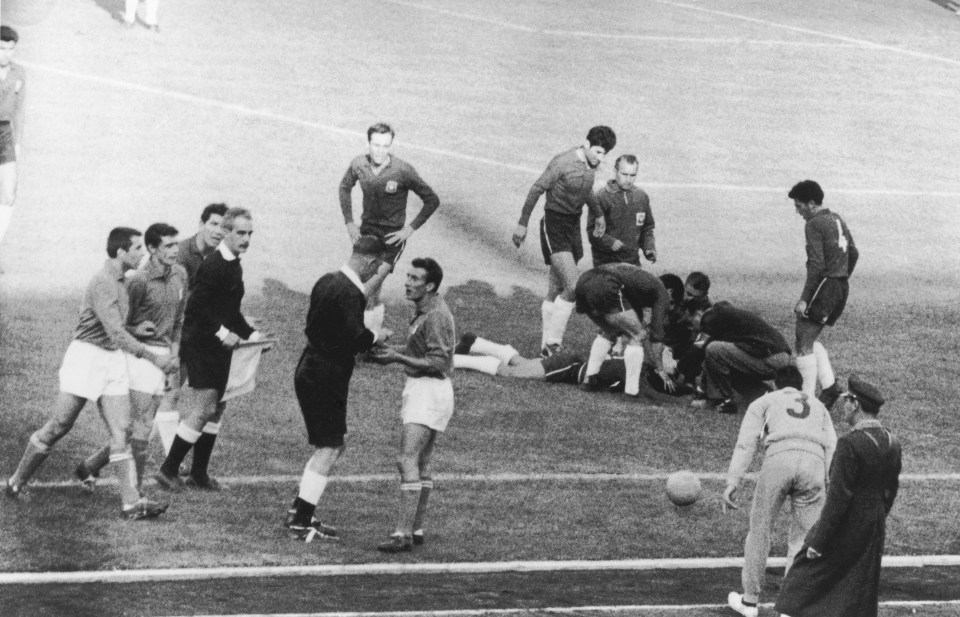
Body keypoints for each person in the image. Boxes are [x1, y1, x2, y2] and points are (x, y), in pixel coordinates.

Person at [4, 227, 173, 520]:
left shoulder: (124, 280)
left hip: (112, 360)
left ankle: (131, 503)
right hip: (86, 358)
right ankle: (16, 482)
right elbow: (115, 333)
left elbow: (117, 329)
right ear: (120, 252)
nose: (142, 254)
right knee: (59, 425)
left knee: (123, 430)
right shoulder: (104, 282)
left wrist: (134, 329)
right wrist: (153, 358)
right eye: (136, 249)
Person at [285, 236, 385, 542]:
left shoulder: (326, 281)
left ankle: (298, 510)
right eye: (377, 267)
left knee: (336, 443)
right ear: (370, 262)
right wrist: (376, 336)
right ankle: (301, 522)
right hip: (325, 376)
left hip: (310, 367)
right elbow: (356, 339)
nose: (376, 272)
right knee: (329, 447)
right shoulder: (351, 293)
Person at [154, 207, 262, 491]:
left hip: (217, 347)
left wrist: (254, 335)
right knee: (204, 407)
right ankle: (168, 470)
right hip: (201, 345)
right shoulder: (214, 265)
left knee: (218, 406)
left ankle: (199, 473)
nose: (247, 239)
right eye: (241, 232)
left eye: (250, 233)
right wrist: (223, 332)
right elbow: (196, 310)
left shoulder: (234, 264)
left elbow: (230, 311)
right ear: (226, 233)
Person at [776, 375, 901, 617]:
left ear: (855, 404)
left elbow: (838, 498)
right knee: (856, 585)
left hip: (846, 523)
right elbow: (890, 491)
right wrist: (874, 516)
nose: (843, 407)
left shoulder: (850, 443)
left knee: (802, 576)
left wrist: (819, 541)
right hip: (873, 524)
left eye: (846, 402)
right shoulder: (893, 442)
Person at [75, 223, 187, 491]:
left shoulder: (180, 275)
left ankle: (89, 467)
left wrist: (173, 356)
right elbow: (120, 325)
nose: (175, 250)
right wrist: (137, 330)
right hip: (141, 358)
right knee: (142, 427)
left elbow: (179, 320)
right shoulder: (138, 281)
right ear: (152, 248)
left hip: (165, 359)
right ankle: (134, 493)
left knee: (135, 428)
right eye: (169, 245)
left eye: (177, 244)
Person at [722, 366, 837, 617]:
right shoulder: (819, 406)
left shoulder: (765, 400)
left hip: (779, 458)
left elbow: (746, 443)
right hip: (813, 463)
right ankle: (791, 608)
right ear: (801, 385)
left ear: (776, 385)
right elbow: (832, 446)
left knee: (760, 530)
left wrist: (734, 481)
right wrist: (830, 484)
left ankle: (750, 601)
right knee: (803, 538)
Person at [369, 258, 455, 553]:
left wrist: (397, 359)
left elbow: (438, 361)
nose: (407, 282)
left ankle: (402, 533)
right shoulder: (426, 309)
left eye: (415, 278)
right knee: (422, 462)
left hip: (428, 392)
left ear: (430, 285)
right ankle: (415, 529)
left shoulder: (436, 316)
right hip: (429, 390)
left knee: (406, 460)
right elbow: (421, 349)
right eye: (407, 276)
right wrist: (392, 350)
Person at [512, 126, 617, 357]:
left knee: (556, 289)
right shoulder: (562, 162)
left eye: (604, 154)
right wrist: (522, 223)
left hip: (572, 226)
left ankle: (544, 350)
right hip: (554, 225)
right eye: (598, 152)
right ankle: (553, 343)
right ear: (587, 144)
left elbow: (586, 189)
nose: (601, 158)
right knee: (573, 286)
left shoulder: (591, 165)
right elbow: (537, 189)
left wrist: (598, 213)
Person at [339, 122, 440, 338]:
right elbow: (344, 187)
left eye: (386, 146)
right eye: (376, 145)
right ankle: (372, 336)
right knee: (369, 291)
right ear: (369, 143)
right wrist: (349, 222)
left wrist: (409, 230)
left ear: (391, 145)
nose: (380, 151)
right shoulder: (359, 164)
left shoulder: (402, 171)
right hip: (366, 235)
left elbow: (431, 200)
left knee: (368, 287)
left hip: (391, 242)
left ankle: (358, 338)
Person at [153, 202, 229, 453]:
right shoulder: (182, 255)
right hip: (170, 336)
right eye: (214, 224)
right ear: (201, 224)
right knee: (168, 397)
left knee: (161, 404)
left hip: (194, 336)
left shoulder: (220, 258)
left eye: (224, 227)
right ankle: (169, 462)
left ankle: (92, 465)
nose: (219, 231)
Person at [789, 180, 858, 406]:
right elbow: (854, 252)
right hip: (839, 286)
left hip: (825, 286)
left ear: (811, 204)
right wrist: (842, 275)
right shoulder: (836, 218)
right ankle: (829, 388)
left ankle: (805, 400)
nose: (797, 210)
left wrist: (804, 299)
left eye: (799, 205)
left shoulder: (814, 224)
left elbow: (816, 265)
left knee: (803, 342)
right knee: (806, 337)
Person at [573, 262, 675, 400]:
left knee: (609, 330)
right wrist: (660, 369)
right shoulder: (661, 291)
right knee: (638, 335)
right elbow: (656, 335)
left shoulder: (641, 285)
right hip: (606, 282)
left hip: (582, 281)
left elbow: (631, 315)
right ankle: (631, 392)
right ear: (670, 292)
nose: (669, 307)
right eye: (672, 303)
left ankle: (589, 379)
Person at [689, 301, 793, 414]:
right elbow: (714, 366)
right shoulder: (725, 315)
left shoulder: (712, 318)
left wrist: (679, 369)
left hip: (771, 358)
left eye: (691, 321)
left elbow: (701, 350)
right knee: (723, 360)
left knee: (713, 349)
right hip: (780, 357)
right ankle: (764, 395)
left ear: (699, 314)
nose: (693, 327)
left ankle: (724, 402)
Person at [586, 154, 655, 267]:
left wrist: (649, 248)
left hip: (632, 262)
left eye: (633, 175)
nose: (628, 179)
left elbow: (647, 229)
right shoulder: (602, 197)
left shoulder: (641, 197)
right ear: (615, 171)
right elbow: (592, 232)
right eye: (624, 174)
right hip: (606, 263)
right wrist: (610, 242)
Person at [0, 25, 26, 247]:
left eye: (10, 49)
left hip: (5, 134)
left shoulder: (19, 73)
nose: (6, 54)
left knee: (8, 195)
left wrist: (18, 142)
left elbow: (19, 110)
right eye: (1, 48)